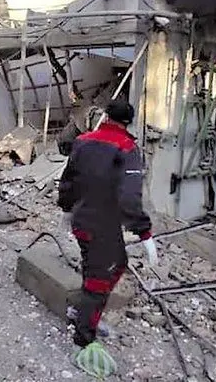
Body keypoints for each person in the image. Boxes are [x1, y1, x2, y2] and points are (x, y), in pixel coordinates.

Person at [58, 100, 158, 349]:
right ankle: (84, 338)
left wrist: (66, 209)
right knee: (99, 281)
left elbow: (68, 180)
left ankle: (83, 312)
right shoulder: (127, 148)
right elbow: (129, 198)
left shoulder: (82, 142)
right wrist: (144, 232)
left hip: (82, 221)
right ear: (128, 122)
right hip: (101, 226)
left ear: (105, 116)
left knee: (114, 264)